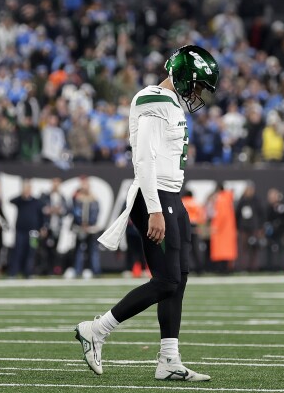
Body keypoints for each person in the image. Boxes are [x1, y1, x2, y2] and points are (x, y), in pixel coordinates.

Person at [75, 45, 219, 381]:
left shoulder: (169, 103)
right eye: (197, 85)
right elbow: (144, 159)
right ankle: (96, 329)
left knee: (179, 278)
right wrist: (155, 209)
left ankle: (169, 359)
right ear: (183, 77)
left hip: (172, 194)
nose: (198, 93)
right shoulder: (153, 98)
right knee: (166, 279)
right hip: (155, 196)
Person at [9, 180, 45, 278]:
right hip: (20, 230)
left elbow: (41, 216)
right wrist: (22, 196)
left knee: (31, 252)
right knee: (18, 251)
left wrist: (42, 228)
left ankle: (28, 272)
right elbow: (11, 200)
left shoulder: (36, 202)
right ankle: (14, 272)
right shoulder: (20, 201)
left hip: (34, 232)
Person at [71, 176, 101, 278]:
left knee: (93, 251)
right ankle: (77, 270)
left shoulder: (94, 199)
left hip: (91, 229)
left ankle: (96, 271)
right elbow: (76, 212)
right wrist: (81, 223)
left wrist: (90, 223)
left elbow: (96, 213)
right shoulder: (77, 199)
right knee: (79, 250)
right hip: (80, 229)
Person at [39, 178, 68, 275]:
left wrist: (59, 211)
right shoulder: (45, 196)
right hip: (47, 226)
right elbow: (40, 209)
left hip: (57, 227)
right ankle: (44, 269)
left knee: (54, 249)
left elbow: (66, 210)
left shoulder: (62, 197)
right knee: (44, 249)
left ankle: (52, 269)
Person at [235, 182, 264, 272]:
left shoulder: (256, 201)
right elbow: (237, 215)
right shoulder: (242, 201)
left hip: (254, 228)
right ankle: (243, 267)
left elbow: (261, 214)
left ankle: (253, 267)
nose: (249, 191)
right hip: (243, 228)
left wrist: (260, 228)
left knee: (254, 248)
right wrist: (237, 227)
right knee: (243, 249)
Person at [209, 183, 238, 273]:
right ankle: (227, 268)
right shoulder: (228, 199)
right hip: (228, 230)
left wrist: (216, 226)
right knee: (227, 252)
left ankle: (222, 269)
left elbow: (221, 215)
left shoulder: (221, 200)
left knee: (221, 252)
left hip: (221, 230)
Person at [181, 189, 206, 274]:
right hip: (195, 226)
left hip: (185, 226)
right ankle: (199, 268)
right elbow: (202, 217)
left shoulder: (183, 202)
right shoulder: (196, 203)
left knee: (185, 248)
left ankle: (188, 267)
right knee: (196, 248)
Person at [264, 188, 284, 271]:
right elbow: (266, 220)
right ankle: (270, 267)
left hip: (280, 232)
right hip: (270, 233)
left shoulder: (281, 206)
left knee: (280, 250)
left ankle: (280, 266)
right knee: (269, 250)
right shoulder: (268, 207)